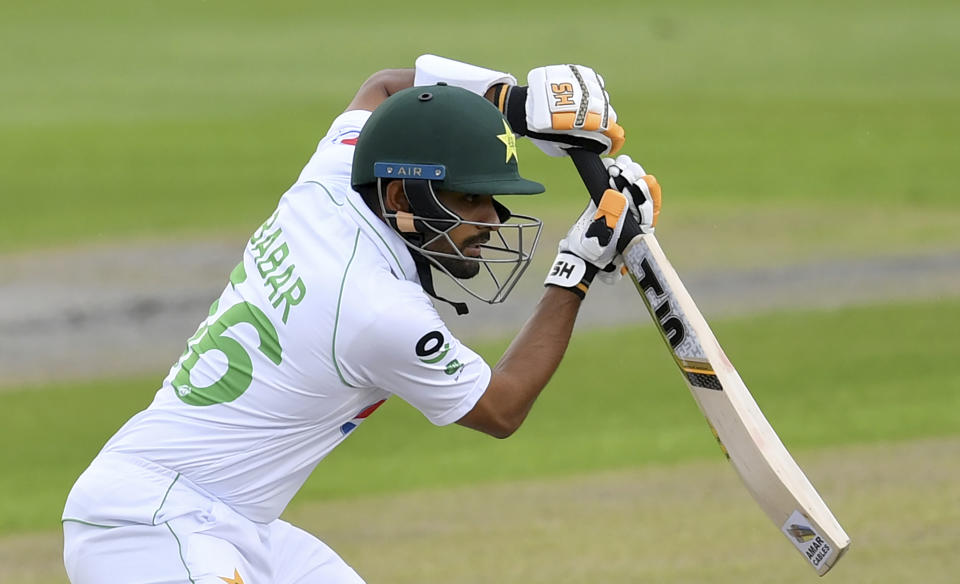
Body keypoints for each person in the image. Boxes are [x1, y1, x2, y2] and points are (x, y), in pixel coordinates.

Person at [61, 55, 661, 583]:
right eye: (470, 199)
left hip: (240, 522)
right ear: (400, 198)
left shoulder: (330, 184)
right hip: (149, 524)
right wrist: (575, 269)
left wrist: (516, 105)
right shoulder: (376, 308)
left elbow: (382, 91)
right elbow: (501, 409)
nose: (491, 222)